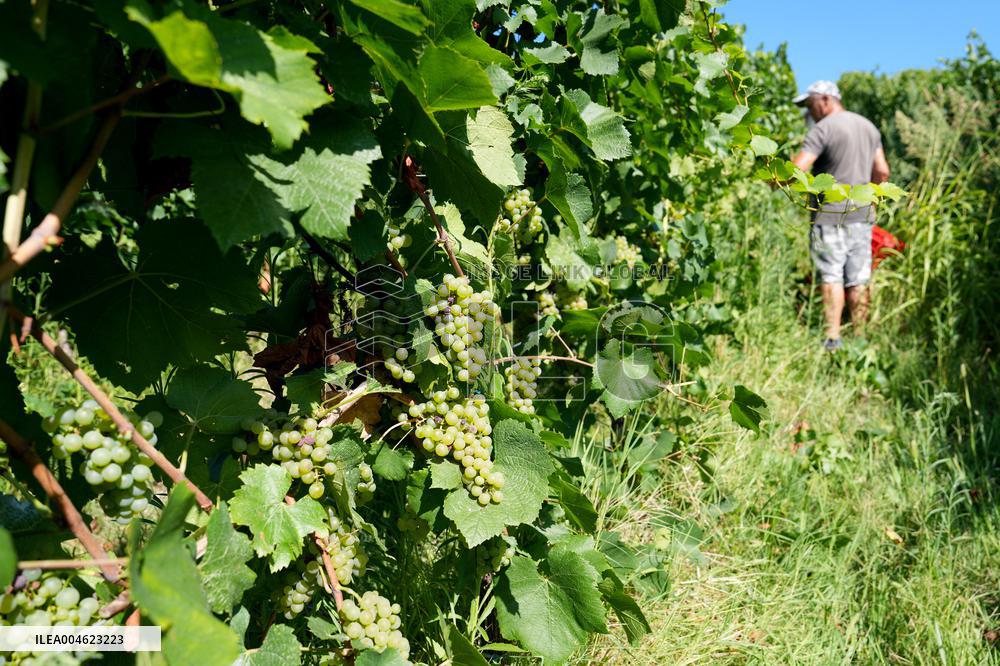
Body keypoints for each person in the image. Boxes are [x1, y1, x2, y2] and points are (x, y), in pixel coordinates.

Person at [790, 80, 891, 352]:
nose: (809, 113)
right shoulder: (868, 127)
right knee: (859, 278)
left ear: (825, 100)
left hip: (829, 216)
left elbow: (799, 168)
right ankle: (860, 339)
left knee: (831, 276)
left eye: (810, 105)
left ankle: (832, 339)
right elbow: (882, 171)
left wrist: (775, 177)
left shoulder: (823, 129)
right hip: (862, 215)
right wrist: (870, 198)